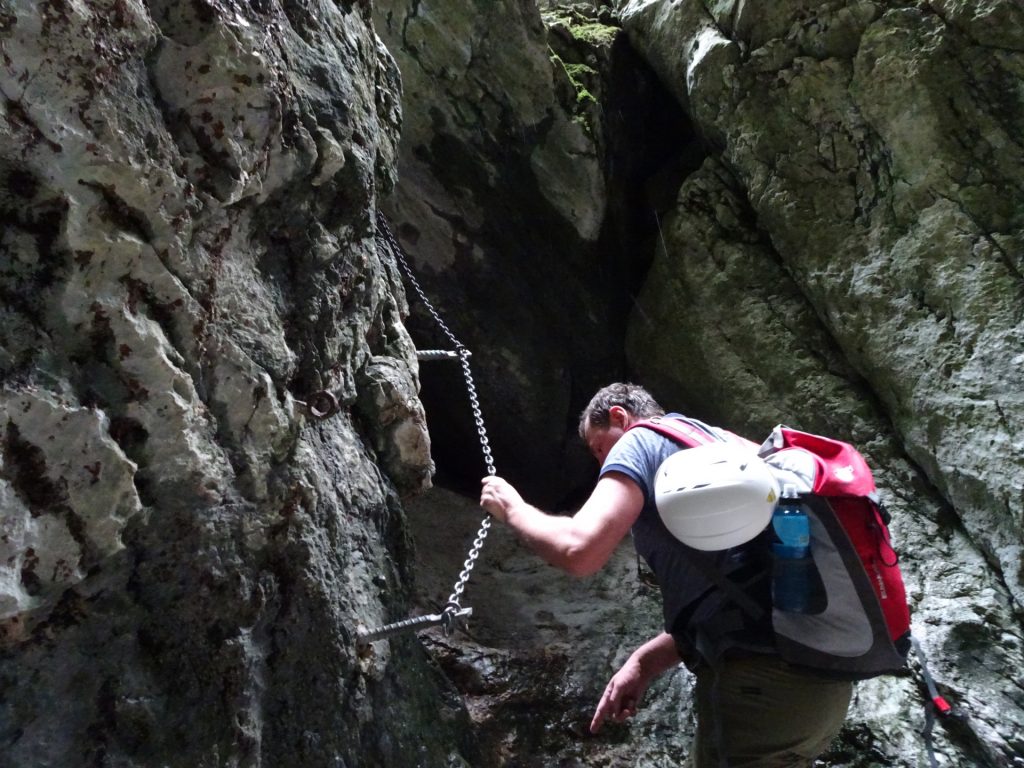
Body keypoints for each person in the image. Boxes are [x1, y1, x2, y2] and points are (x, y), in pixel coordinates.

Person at [479, 382, 852, 767]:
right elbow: (743, 591)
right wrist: (644, 662)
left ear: (619, 417)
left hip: (762, 685)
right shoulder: (727, 446)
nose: (602, 463)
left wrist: (513, 509)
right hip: (821, 688)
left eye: (599, 449)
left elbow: (579, 550)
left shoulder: (640, 440)